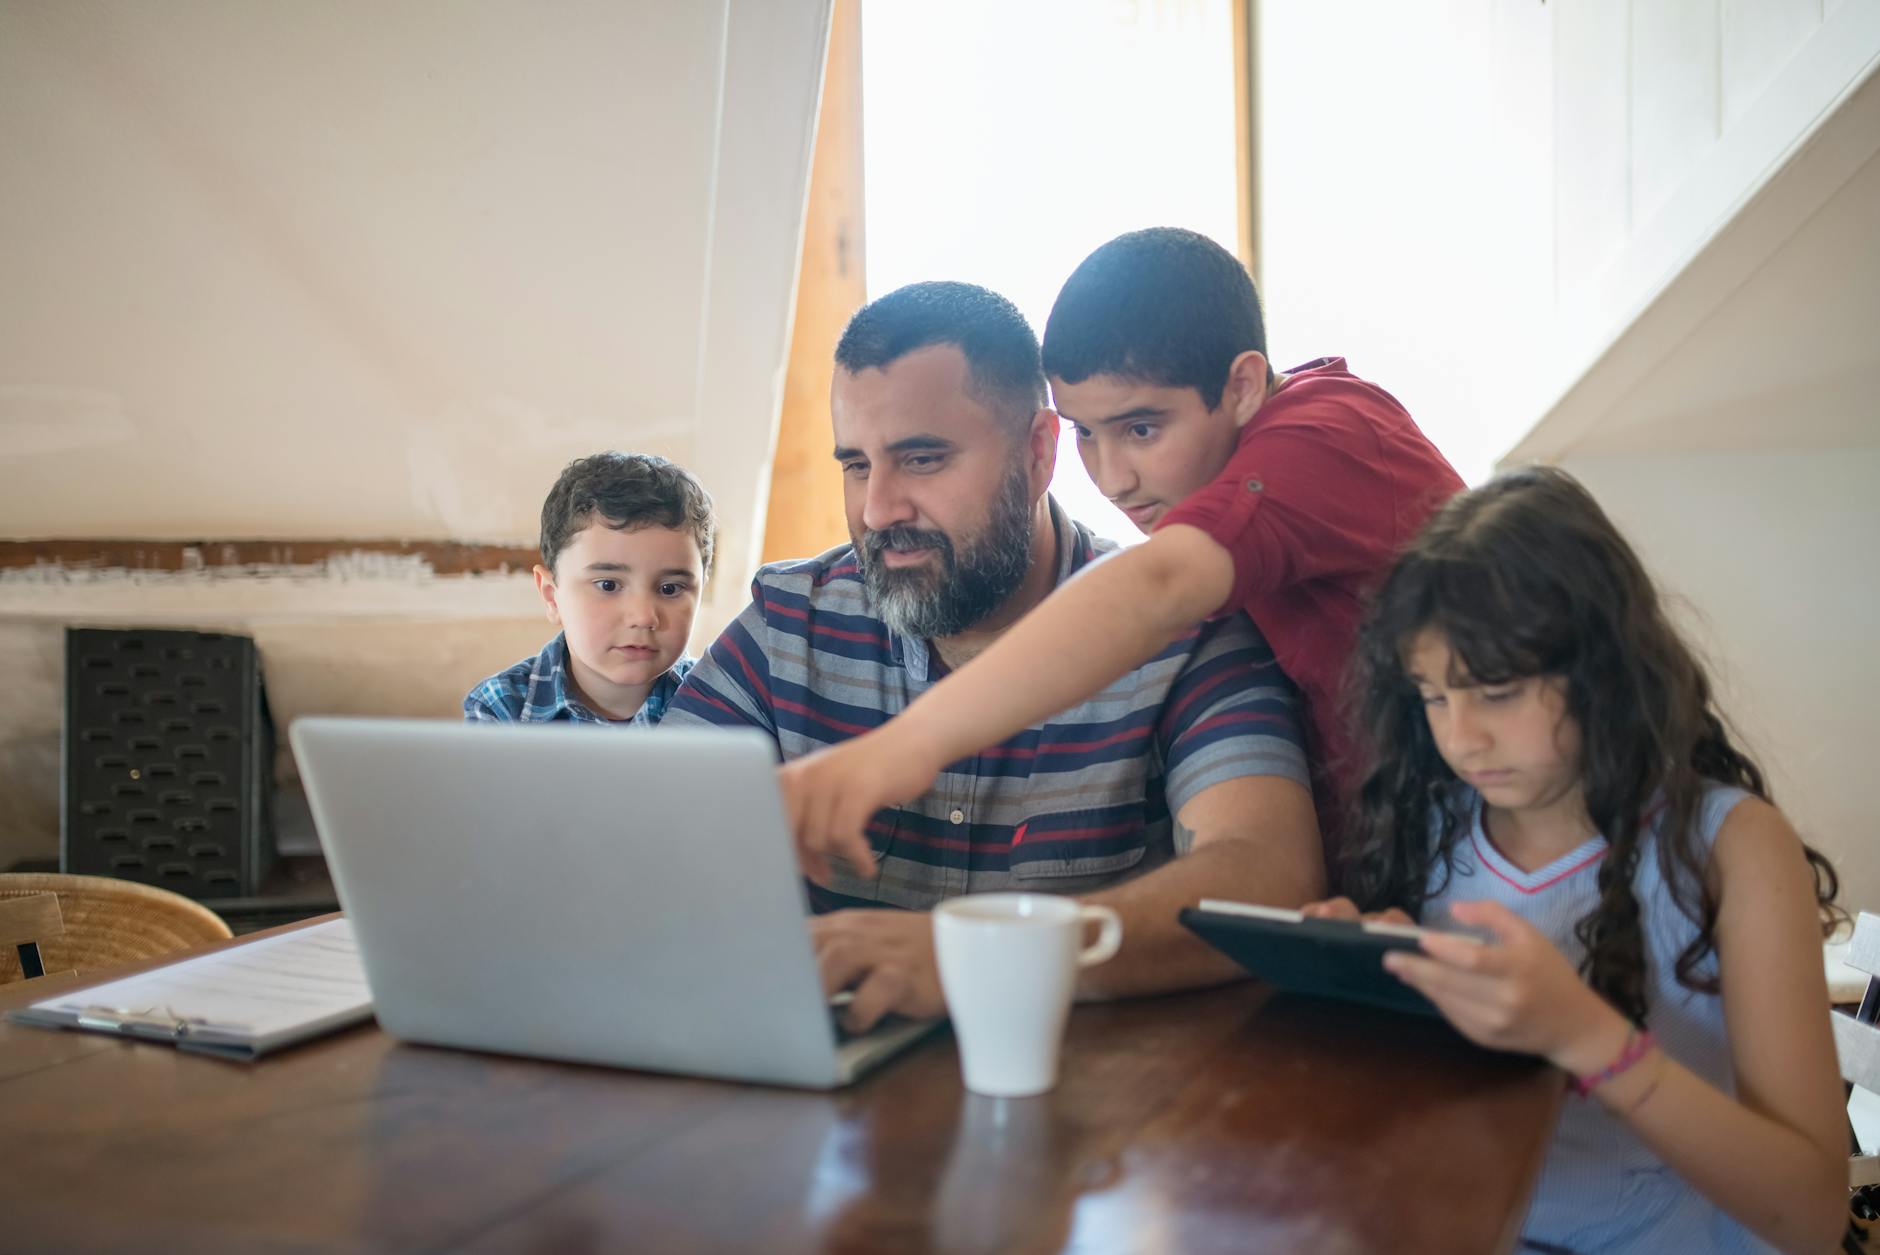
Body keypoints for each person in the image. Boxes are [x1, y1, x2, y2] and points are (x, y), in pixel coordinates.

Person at [664, 280, 1323, 1032]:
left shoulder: (1186, 632)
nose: (879, 509)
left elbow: (1270, 877)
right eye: (856, 465)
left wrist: (990, 956)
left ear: (1039, 451)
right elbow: (644, 846)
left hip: (1093, 1119)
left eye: (922, 458)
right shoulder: (790, 623)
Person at [777, 226, 1462, 870]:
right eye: (1085, 433)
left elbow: (1156, 586)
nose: (1112, 477)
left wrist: (899, 750)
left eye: (1140, 429)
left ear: (1244, 386)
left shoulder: (1324, 436)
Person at [1307, 466, 1844, 1254]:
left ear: (1601, 669)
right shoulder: (1427, 823)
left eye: (1496, 691)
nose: (1461, 738)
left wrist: (1590, 1038)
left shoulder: (1729, 846)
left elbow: (1813, 1214)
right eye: (1432, 696)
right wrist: (1383, 990)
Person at [464, 451, 713, 726]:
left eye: (669, 589)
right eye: (608, 585)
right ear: (552, 596)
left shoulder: (721, 706)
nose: (643, 617)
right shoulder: (502, 709)